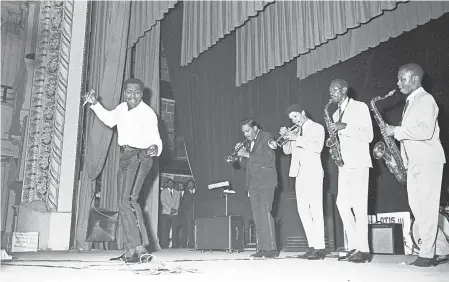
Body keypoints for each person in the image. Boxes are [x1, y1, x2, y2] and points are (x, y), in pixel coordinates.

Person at [85, 78, 163, 263]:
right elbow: (110, 120)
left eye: (136, 92)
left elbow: (156, 138)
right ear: (125, 92)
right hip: (125, 156)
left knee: (129, 200)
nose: (132, 96)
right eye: (129, 92)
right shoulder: (121, 108)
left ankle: (141, 247)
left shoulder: (147, 113)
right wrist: (95, 104)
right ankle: (130, 250)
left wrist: (154, 147)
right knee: (122, 202)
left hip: (140, 156)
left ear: (142, 94)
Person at [382, 63, 449, 267]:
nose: (398, 83)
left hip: (428, 160)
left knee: (426, 208)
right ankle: (443, 249)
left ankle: (427, 255)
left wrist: (397, 131)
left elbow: (425, 131)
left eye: (402, 79)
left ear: (414, 79)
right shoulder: (411, 102)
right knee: (418, 209)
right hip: (414, 162)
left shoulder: (426, 99)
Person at [328, 79, 373, 263]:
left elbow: (368, 135)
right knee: (342, 204)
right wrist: (333, 145)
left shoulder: (360, 107)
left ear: (345, 90)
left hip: (359, 162)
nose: (332, 93)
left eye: (335, 90)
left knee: (359, 206)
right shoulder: (335, 113)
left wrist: (344, 127)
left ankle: (364, 250)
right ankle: (354, 245)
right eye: (330, 90)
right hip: (344, 165)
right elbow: (340, 139)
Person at [281, 105, 326, 260]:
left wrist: (296, 138)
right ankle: (312, 246)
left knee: (316, 211)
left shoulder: (317, 127)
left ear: (303, 113)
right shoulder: (297, 132)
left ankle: (320, 248)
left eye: (296, 116)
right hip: (299, 174)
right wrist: (287, 138)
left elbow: (318, 147)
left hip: (313, 173)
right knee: (303, 211)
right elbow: (287, 151)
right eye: (292, 118)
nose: (294, 120)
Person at [235, 118, 278, 258]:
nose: (246, 134)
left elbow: (268, 158)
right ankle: (262, 248)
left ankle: (271, 249)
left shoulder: (266, 136)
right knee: (257, 217)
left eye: (247, 131)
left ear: (255, 128)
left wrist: (246, 154)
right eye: (243, 132)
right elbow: (247, 165)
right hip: (253, 184)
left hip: (266, 182)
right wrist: (241, 155)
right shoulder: (250, 143)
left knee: (265, 214)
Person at [160, 179, 180, 248]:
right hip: (166, 213)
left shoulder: (177, 192)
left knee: (175, 229)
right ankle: (164, 244)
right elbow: (163, 202)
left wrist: (175, 210)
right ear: (167, 184)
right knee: (165, 229)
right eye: (169, 183)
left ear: (173, 184)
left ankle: (174, 245)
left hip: (175, 213)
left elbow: (178, 202)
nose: (171, 184)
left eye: (172, 183)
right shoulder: (163, 192)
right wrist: (170, 210)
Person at [182, 179, 197, 248]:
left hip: (197, 214)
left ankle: (198, 243)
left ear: (194, 184)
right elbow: (183, 205)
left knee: (197, 229)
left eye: (192, 184)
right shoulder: (185, 193)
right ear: (187, 185)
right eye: (189, 184)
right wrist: (187, 214)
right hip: (189, 215)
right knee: (190, 229)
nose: (190, 185)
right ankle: (191, 243)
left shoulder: (197, 192)